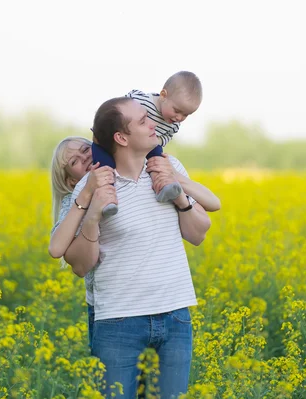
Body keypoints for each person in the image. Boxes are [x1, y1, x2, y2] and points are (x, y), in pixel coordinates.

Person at [64, 96, 212, 398]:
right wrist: (93, 216)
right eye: (143, 120)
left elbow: (198, 235)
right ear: (121, 137)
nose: (153, 124)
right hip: (119, 321)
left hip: (175, 316)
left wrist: (180, 196)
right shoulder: (93, 185)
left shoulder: (169, 167)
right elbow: (79, 266)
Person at [48, 136, 220, 354]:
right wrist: (87, 199)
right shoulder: (75, 199)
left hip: (165, 304)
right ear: (72, 181)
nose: (85, 157)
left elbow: (210, 210)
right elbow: (57, 250)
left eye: (86, 149)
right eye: (74, 162)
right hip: (113, 309)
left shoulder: (138, 174)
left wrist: (174, 181)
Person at [91, 71, 203, 217]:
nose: (179, 118)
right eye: (177, 111)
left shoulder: (174, 125)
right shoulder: (141, 100)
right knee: (104, 167)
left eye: (186, 115)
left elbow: (166, 138)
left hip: (147, 144)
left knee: (158, 159)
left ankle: (163, 186)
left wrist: (157, 142)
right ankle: (107, 199)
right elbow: (117, 110)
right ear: (163, 95)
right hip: (114, 140)